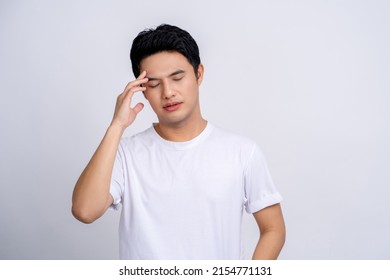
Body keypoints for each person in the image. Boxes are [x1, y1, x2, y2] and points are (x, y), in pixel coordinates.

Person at [72, 24, 285, 260]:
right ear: (142, 90)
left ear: (198, 74)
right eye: (153, 84)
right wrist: (116, 127)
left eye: (177, 77)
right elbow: (85, 211)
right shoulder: (125, 154)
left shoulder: (242, 152)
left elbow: (273, 229)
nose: (168, 92)